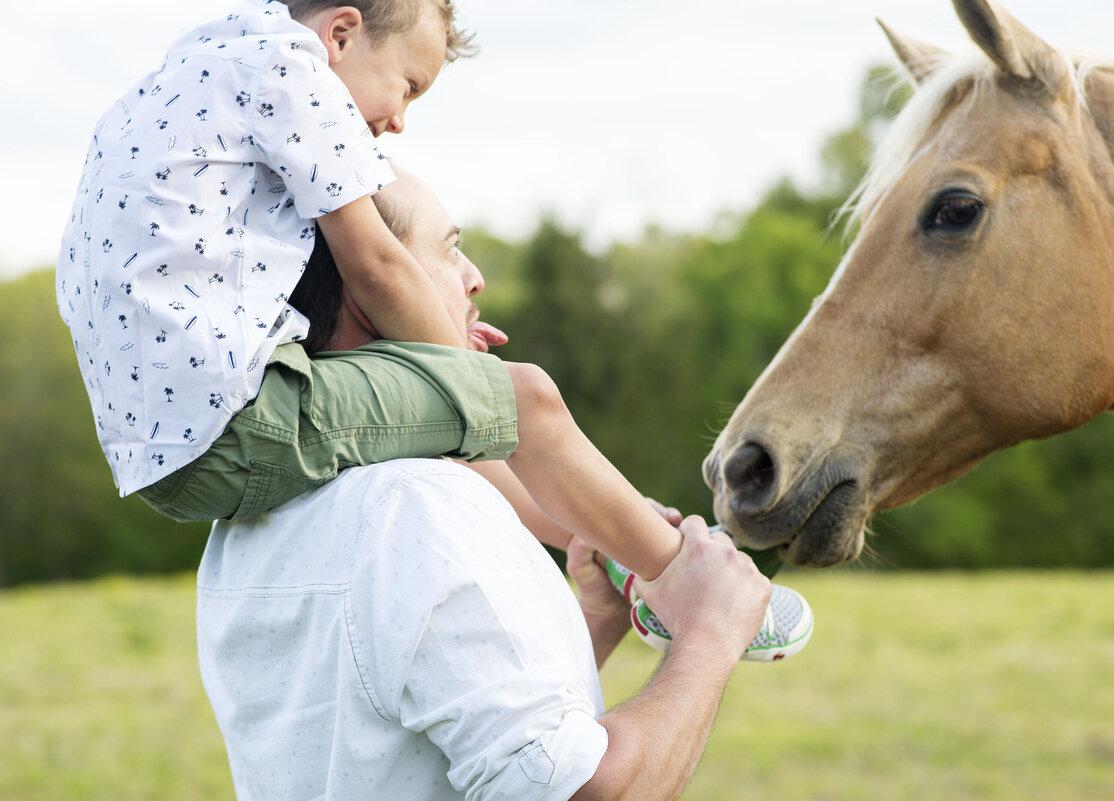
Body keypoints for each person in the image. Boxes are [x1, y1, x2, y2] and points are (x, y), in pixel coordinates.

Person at [55, 0, 808, 657]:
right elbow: (378, 265)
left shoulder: (198, 61)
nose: (398, 120)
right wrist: (479, 387)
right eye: (408, 85)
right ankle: (685, 581)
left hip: (161, 445)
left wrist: (480, 419)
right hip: (234, 416)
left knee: (453, 417)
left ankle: (613, 546)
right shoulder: (288, 64)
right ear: (341, 36)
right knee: (527, 398)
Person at [196, 169, 776, 800]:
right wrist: (709, 632)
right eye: (448, 250)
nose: (474, 276)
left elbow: (405, 732)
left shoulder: (243, 527)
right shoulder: (418, 507)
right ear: (371, 286)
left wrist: (594, 620)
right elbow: (580, 793)